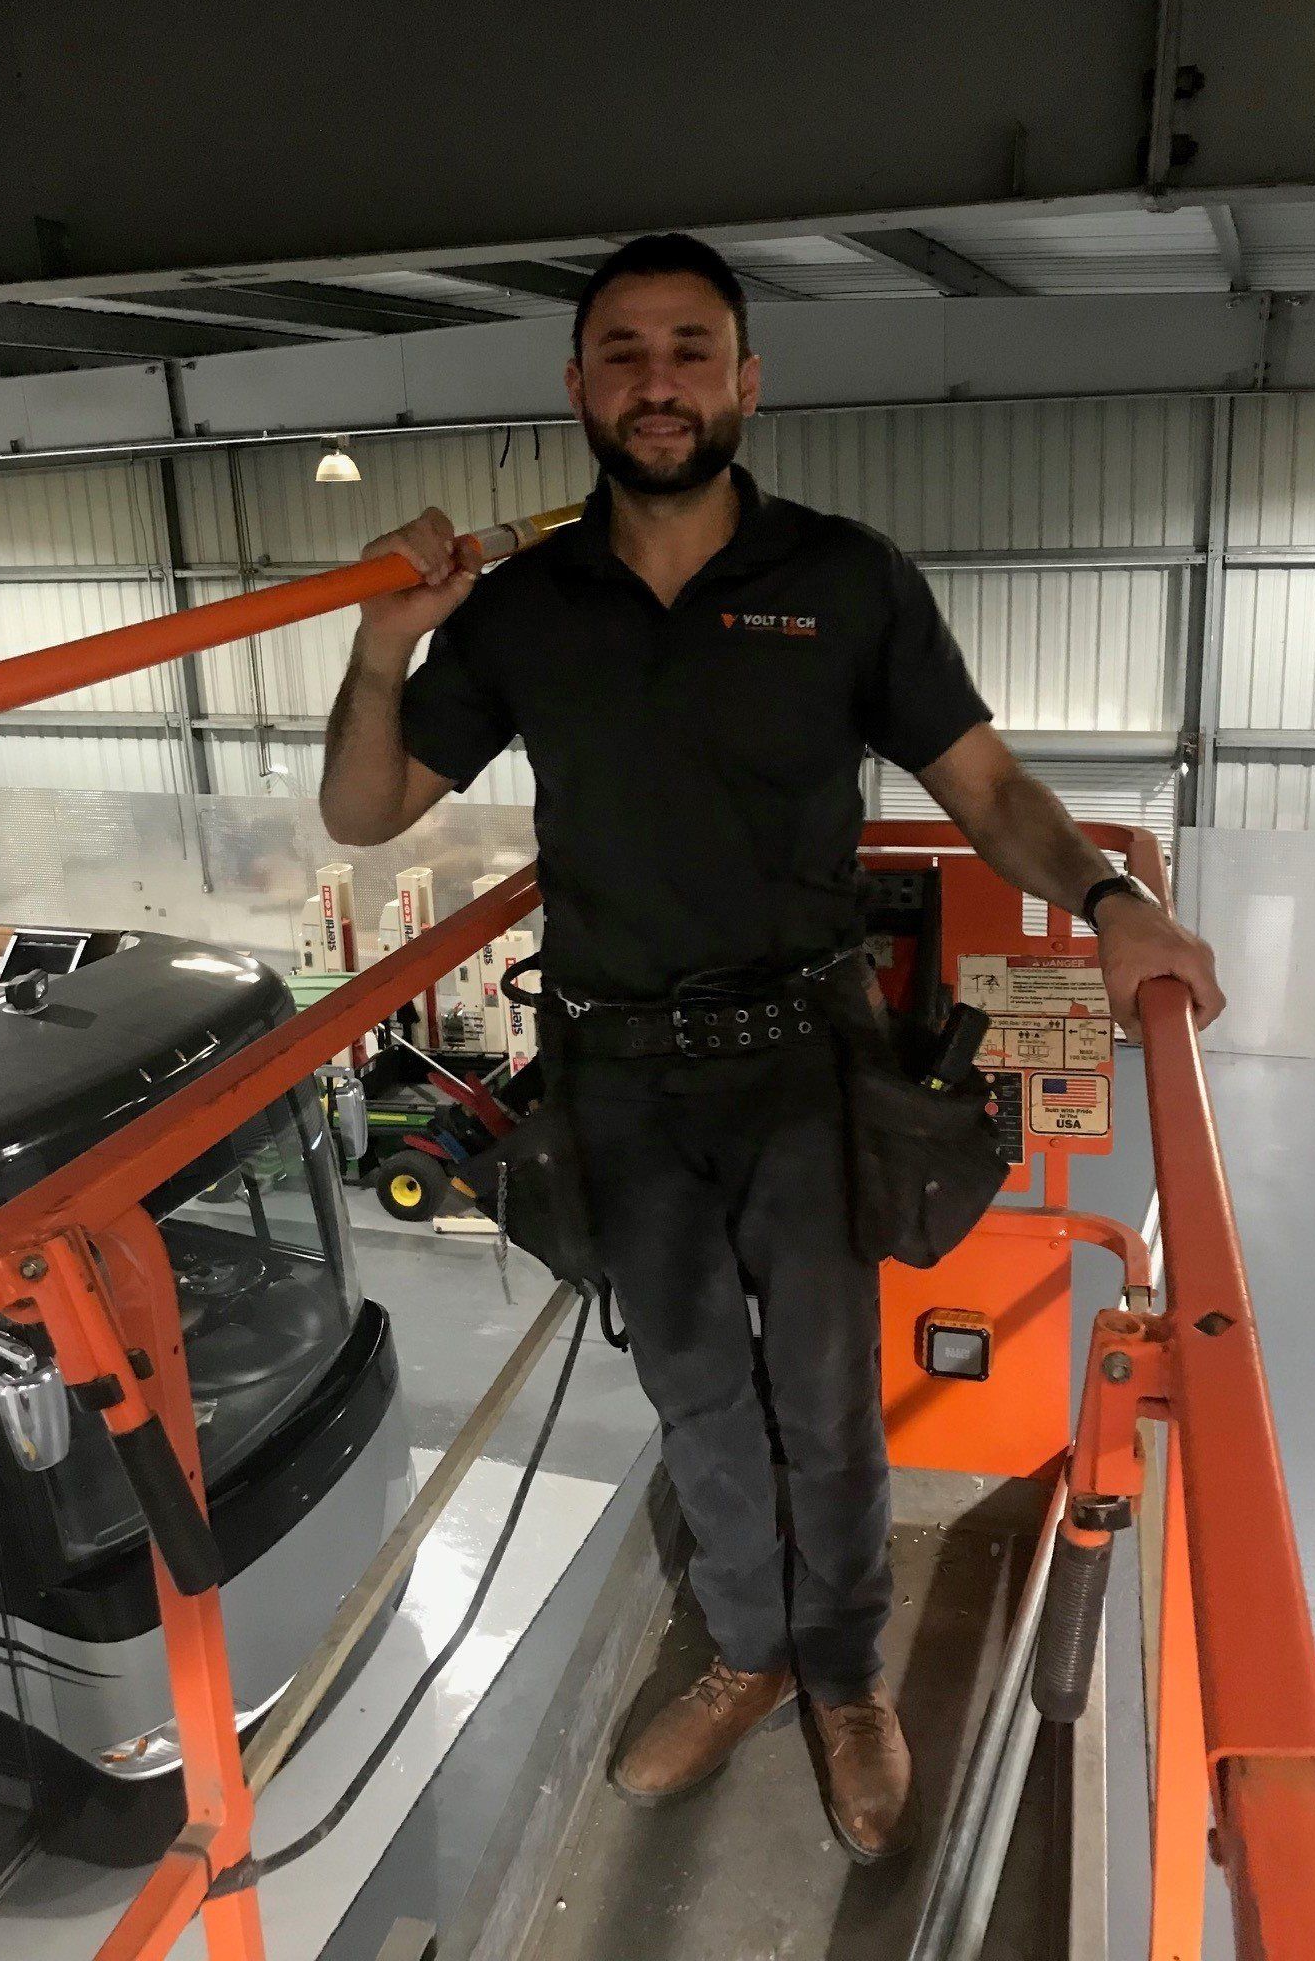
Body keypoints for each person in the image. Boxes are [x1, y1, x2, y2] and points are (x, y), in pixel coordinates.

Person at [320, 233, 1224, 1863]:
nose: (655, 381)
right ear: (578, 386)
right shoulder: (527, 607)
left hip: (806, 1060)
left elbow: (989, 788)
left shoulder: (845, 577)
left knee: (821, 1398)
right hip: (616, 1073)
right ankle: (743, 1652)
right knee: (692, 1396)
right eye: (622, 353)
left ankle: (844, 1679)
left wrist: (1106, 900)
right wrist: (389, 639)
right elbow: (366, 810)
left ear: (746, 380)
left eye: (688, 350)